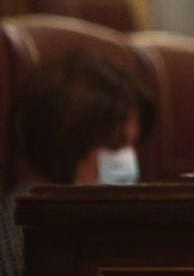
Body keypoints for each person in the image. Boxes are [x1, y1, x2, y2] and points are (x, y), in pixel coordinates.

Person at [1, 52, 155, 276]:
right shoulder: (11, 231)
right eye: (114, 146)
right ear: (64, 141)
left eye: (133, 144)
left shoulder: (128, 225)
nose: (129, 160)